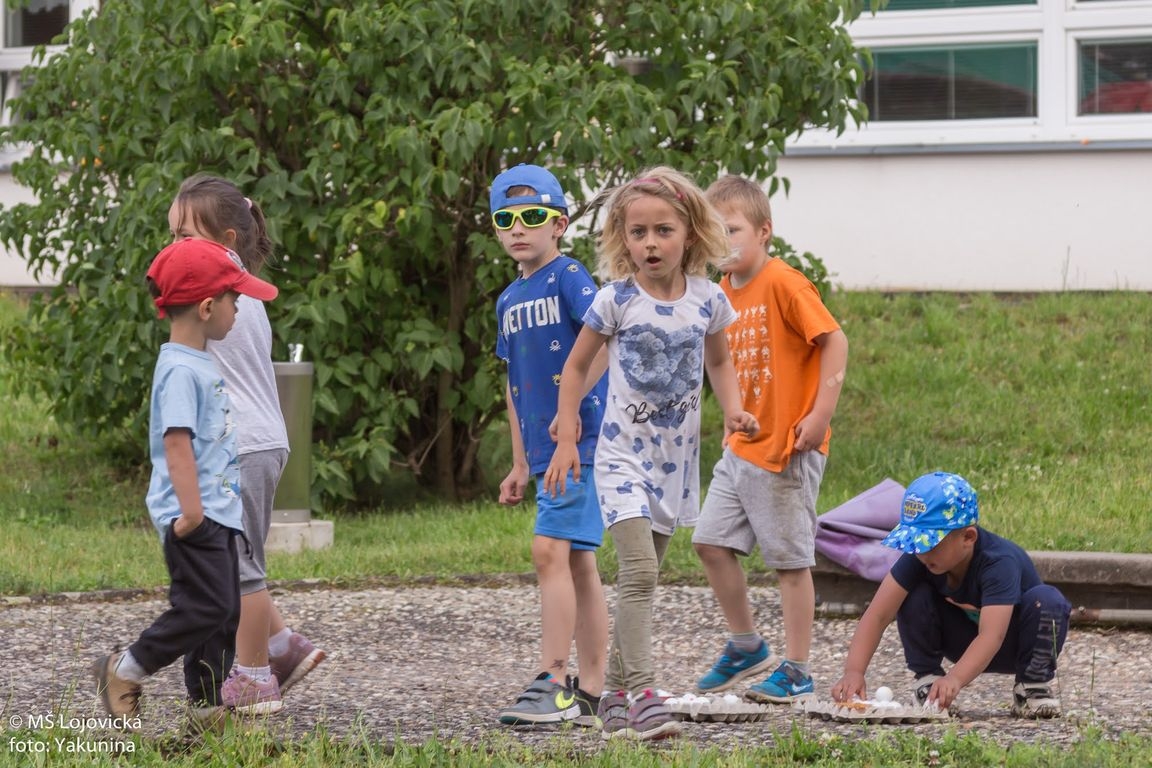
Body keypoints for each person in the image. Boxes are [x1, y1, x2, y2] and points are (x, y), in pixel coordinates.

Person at [544, 167, 759, 741]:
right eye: (638, 233)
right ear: (624, 238)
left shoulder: (708, 299)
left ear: (689, 232)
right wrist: (567, 432)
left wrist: (733, 410)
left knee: (647, 578)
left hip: (674, 467)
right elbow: (576, 367)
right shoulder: (616, 300)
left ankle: (612, 699)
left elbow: (719, 362)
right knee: (638, 572)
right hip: (621, 460)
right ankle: (643, 695)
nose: (650, 243)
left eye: (664, 230)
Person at [91, 238, 279, 728]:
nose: (239, 308)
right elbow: (176, 444)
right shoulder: (179, 369)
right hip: (194, 515)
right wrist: (192, 512)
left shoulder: (198, 362)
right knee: (204, 608)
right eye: (235, 299)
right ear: (207, 307)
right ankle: (124, 670)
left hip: (218, 511)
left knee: (224, 612)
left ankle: (206, 708)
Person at [168, 175, 326, 714]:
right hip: (259, 441)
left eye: (185, 236)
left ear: (227, 239)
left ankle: (255, 678)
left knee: (239, 572)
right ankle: (281, 647)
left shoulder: (214, 295)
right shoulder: (244, 292)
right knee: (238, 560)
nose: (174, 247)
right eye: (172, 235)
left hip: (239, 446)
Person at [691, 175, 848, 704]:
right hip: (742, 447)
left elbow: (835, 342)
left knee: (789, 561)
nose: (723, 241)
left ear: (764, 232)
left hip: (787, 449)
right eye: (713, 231)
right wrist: (730, 418)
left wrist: (820, 416)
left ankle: (798, 669)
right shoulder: (719, 294)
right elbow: (725, 366)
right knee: (709, 542)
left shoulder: (784, 283)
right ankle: (746, 645)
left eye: (732, 229)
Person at [489, 164, 610, 727]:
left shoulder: (569, 276)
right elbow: (513, 382)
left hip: (579, 443)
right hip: (544, 450)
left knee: (548, 552)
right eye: (505, 219)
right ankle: (592, 691)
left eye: (532, 216)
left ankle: (553, 680)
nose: (519, 228)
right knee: (578, 561)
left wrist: (569, 424)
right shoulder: (508, 299)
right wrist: (520, 461)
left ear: (558, 224)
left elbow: (602, 344)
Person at [830, 471, 1072, 718]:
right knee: (911, 593)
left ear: (968, 537)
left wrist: (954, 679)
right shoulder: (921, 557)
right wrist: (854, 672)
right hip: (962, 642)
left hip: (1013, 644)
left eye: (930, 544)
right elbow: (878, 615)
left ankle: (1031, 686)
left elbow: (992, 635)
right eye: (915, 542)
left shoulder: (998, 562)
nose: (921, 553)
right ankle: (928, 681)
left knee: (1048, 601)